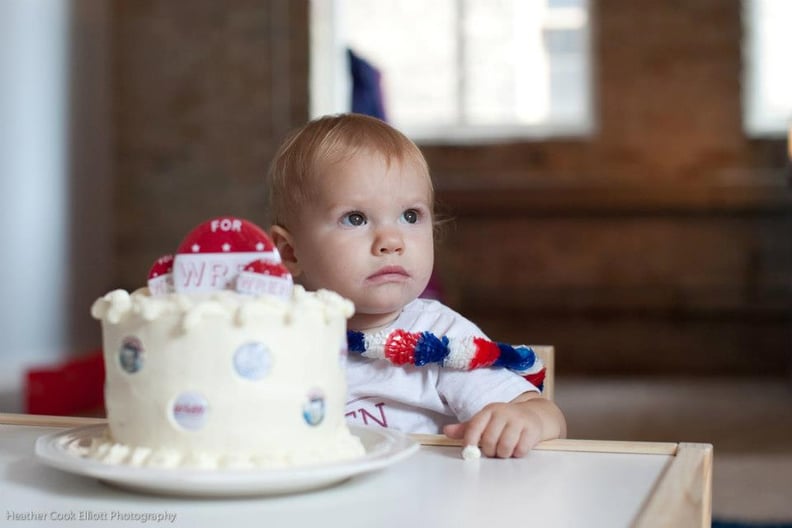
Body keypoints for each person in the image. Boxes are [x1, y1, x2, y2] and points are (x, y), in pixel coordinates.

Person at [266, 113, 566, 458]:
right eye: (355, 218)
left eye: (410, 216)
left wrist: (523, 418)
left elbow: (546, 413)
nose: (391, 241)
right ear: (290, 251)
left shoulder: (439, 337)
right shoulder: (276, 333)